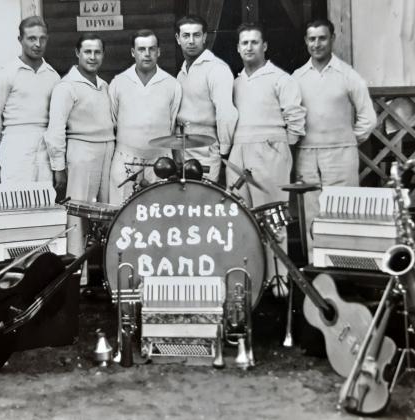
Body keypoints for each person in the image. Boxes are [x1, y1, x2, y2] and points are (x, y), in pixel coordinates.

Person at [228, 22, 306, 290]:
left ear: (264, 46)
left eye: (254, 42)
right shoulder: (235, 83)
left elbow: (295, 120)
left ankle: (279, 279)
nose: (249, 47)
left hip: (270, 151)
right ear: (238, 48)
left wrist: (278, 146)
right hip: (239, 151)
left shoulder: (280, 79)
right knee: (241, 218)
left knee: (273, 217)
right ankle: (253, 279)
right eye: (244, 43)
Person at [292, 18, 376, 262]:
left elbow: (368, 118)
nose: (317, 44)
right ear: (306, 41)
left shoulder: (348, 75)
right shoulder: (297, 77)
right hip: (307, 156)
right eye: (312, 39)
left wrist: (347, 141)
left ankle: (345, 273)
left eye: (322, 38)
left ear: (332, 39)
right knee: (311, 215)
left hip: (341, 155)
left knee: (343, 212)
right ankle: (319, 273)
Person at [44, 33, 115, 261]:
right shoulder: (66, 87)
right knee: (77, 216)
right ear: (77, 54)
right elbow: (55, 128)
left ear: (103, 54)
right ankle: (77, 279)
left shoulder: (104, 86)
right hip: (81, 154)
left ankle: (104, 272)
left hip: (107, 152)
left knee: (106, 211)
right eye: (87, 52)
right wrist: (58, 166)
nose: (92, 57)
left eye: (97, 52)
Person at [0, 16, 59, 184]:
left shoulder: (53, 76)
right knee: (17, 198)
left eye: (42, 39)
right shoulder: (8, 73)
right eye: (31, 38)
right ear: (21, 40)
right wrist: (12, 138)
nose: (37, 44)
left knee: (43, 197)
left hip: (45, 145)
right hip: (16, 142)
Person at [108, 29, 182, 205]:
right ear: (133, 52)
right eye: (141, 49)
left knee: (159, 216)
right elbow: (113, 121)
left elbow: (172, 124)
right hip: (125, 159)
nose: (147, 54)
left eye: (152, 49)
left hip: (161, 161)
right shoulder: (118, 82)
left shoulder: (172, 84)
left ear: (159, 51)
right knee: (122, 216)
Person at [175, 14, 238, 182]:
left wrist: (224, 150)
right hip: (182, 145)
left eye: (196, 35)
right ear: (177, 39)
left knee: (202, 200)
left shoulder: (216, 69)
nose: (191, 41)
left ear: (204, 37)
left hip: (205, 147)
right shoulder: (182, 73)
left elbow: (226, 113)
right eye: (186, 35)